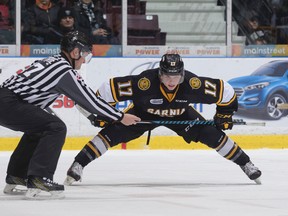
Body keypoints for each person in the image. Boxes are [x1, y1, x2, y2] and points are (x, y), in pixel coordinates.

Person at [64, 54, 262, 186]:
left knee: (212, 135)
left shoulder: (193, 84)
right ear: (160, 73)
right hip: (143, 115)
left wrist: (224, 116)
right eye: (167, 75)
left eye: (175, 76)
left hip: (181, 114)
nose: (171, 81)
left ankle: (246, 164)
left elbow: (225, 91)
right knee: (112, 133)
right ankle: (78, 165)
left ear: (182, 74)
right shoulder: (144, 83)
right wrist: (106, 114)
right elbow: (109, 88)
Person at [0, 30, 140, 199]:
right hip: (8, 103)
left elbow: (74, 101)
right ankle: (39, 178)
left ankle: (17, 175)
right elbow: (91, 101)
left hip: (6, 100)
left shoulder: (52, 62)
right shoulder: (64, 71)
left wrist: (94, 117)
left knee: (40, 128)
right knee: (56, 128)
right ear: (75, 52)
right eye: (86, 56)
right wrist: (120, 117)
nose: (84, 62)